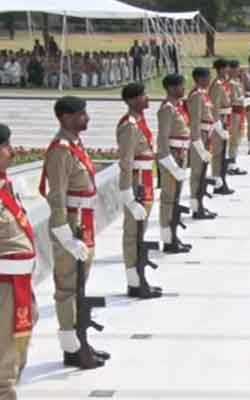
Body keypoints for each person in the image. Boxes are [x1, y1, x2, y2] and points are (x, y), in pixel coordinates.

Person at [39, 96, 108, 369]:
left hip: (83, 223)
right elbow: (55, 196)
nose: (87, 118)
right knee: (68, 288)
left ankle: (81, 341)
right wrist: (65, 236)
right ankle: (71, 349)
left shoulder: (74, 146)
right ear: (67, 118)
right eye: (82, 114)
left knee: (80, 286)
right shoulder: (60, 150)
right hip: (70, 224)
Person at [0, 124, 37, 400]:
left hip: (19, 282)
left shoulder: (5, 187)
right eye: (6, 147)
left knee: (18, 346)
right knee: (5, 359)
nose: (12, 152)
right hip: (4, 286)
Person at [117, 83, 163, 299]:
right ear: (132, 100)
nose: (147, 98)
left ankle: (139, 277)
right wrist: (127, 194)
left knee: (139, 234)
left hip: (145, 183)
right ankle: (133, 282)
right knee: (132, 235)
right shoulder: (129, 126)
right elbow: (126, 162)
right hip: (136, 185)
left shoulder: (139, 122)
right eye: (143, 95)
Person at [157, 74, 192, 254]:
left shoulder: (178, 107)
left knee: (175, 200)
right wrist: (172, 165)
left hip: (181, 155)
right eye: (180, 86)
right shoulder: (167, 109)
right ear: (171, 88)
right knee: (168, 200)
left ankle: (173, 235)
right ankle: (168, 240)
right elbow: (162, 140)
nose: (183, 89)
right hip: (172, 155)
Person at [187, 67, 218, 220]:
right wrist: (199, 146)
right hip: (199, 137)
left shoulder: (203, 95)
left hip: (206, 136)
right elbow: (195, 122)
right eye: (207, 78)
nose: (209, 81)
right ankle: (196, 209)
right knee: (197, 175)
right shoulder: (197, 96)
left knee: (202, 175)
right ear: (199, 79)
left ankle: (200, 205)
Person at [209, 59, 235, 195]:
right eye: (225, 69)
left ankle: (220, 180)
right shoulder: (217, 86)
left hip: (225, 120)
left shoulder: (222, 84)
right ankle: (218, 182)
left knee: (221, 154)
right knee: (218, 154)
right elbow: (215, 107)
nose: (227, 71)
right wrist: (218, 126)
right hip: (220, 122)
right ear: (220, 70)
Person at [226, 59, 248, 176]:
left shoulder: (238, 81)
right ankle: (230, 164)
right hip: (234, 113)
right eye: (237, 68)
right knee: (233, 139)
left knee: (238, 138)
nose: (239, 71)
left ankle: (233, 162)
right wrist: (245, 100)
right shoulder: (229, 83)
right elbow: (233, 99)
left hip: (240, 112)